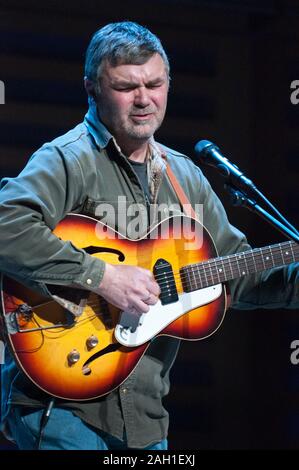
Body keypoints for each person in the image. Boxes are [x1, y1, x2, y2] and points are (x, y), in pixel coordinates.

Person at [0, 21, 298, 451]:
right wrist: (103, 277)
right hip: (58, 403)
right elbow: (7, 226)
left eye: (155, 84)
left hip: (145, 420)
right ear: (92, 88)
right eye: (126, 86)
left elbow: (241, 275)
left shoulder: (186, 178)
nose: (144, 99)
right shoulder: (67, 159)